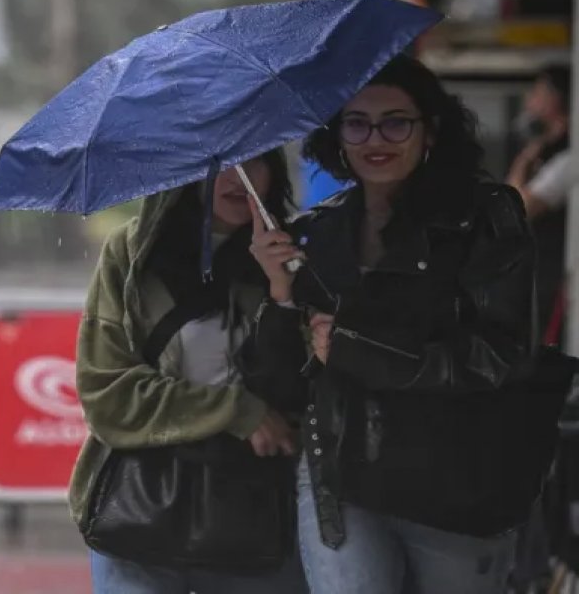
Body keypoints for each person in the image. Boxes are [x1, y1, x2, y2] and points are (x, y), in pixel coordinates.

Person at [248, 55, 537, 593]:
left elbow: (501, 353)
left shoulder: (484, 215)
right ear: (336, 135)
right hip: (339, 471)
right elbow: (279, 383)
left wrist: (358, 348)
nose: (374, 138)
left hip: (456, 476)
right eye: (355, 122)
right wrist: (279, 290)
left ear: (431, 130)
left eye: (396, 121)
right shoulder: (314, 230)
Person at [71, 148, 308, 593]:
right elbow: (109, 394)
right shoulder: (133, 253)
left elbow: (298, 395)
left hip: (257, 512)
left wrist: (282, 295)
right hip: (141, 507)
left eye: (255, 160)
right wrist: (236, 410)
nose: (239, 178)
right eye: (223, 163)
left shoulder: (295, 254)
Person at [505, 64, 570, 344]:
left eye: (539, 92)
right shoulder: (542, 149)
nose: (531, 100)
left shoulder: (569, 154)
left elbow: (518, 209)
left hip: (555, 277)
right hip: (533, 272)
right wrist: (531, 151)